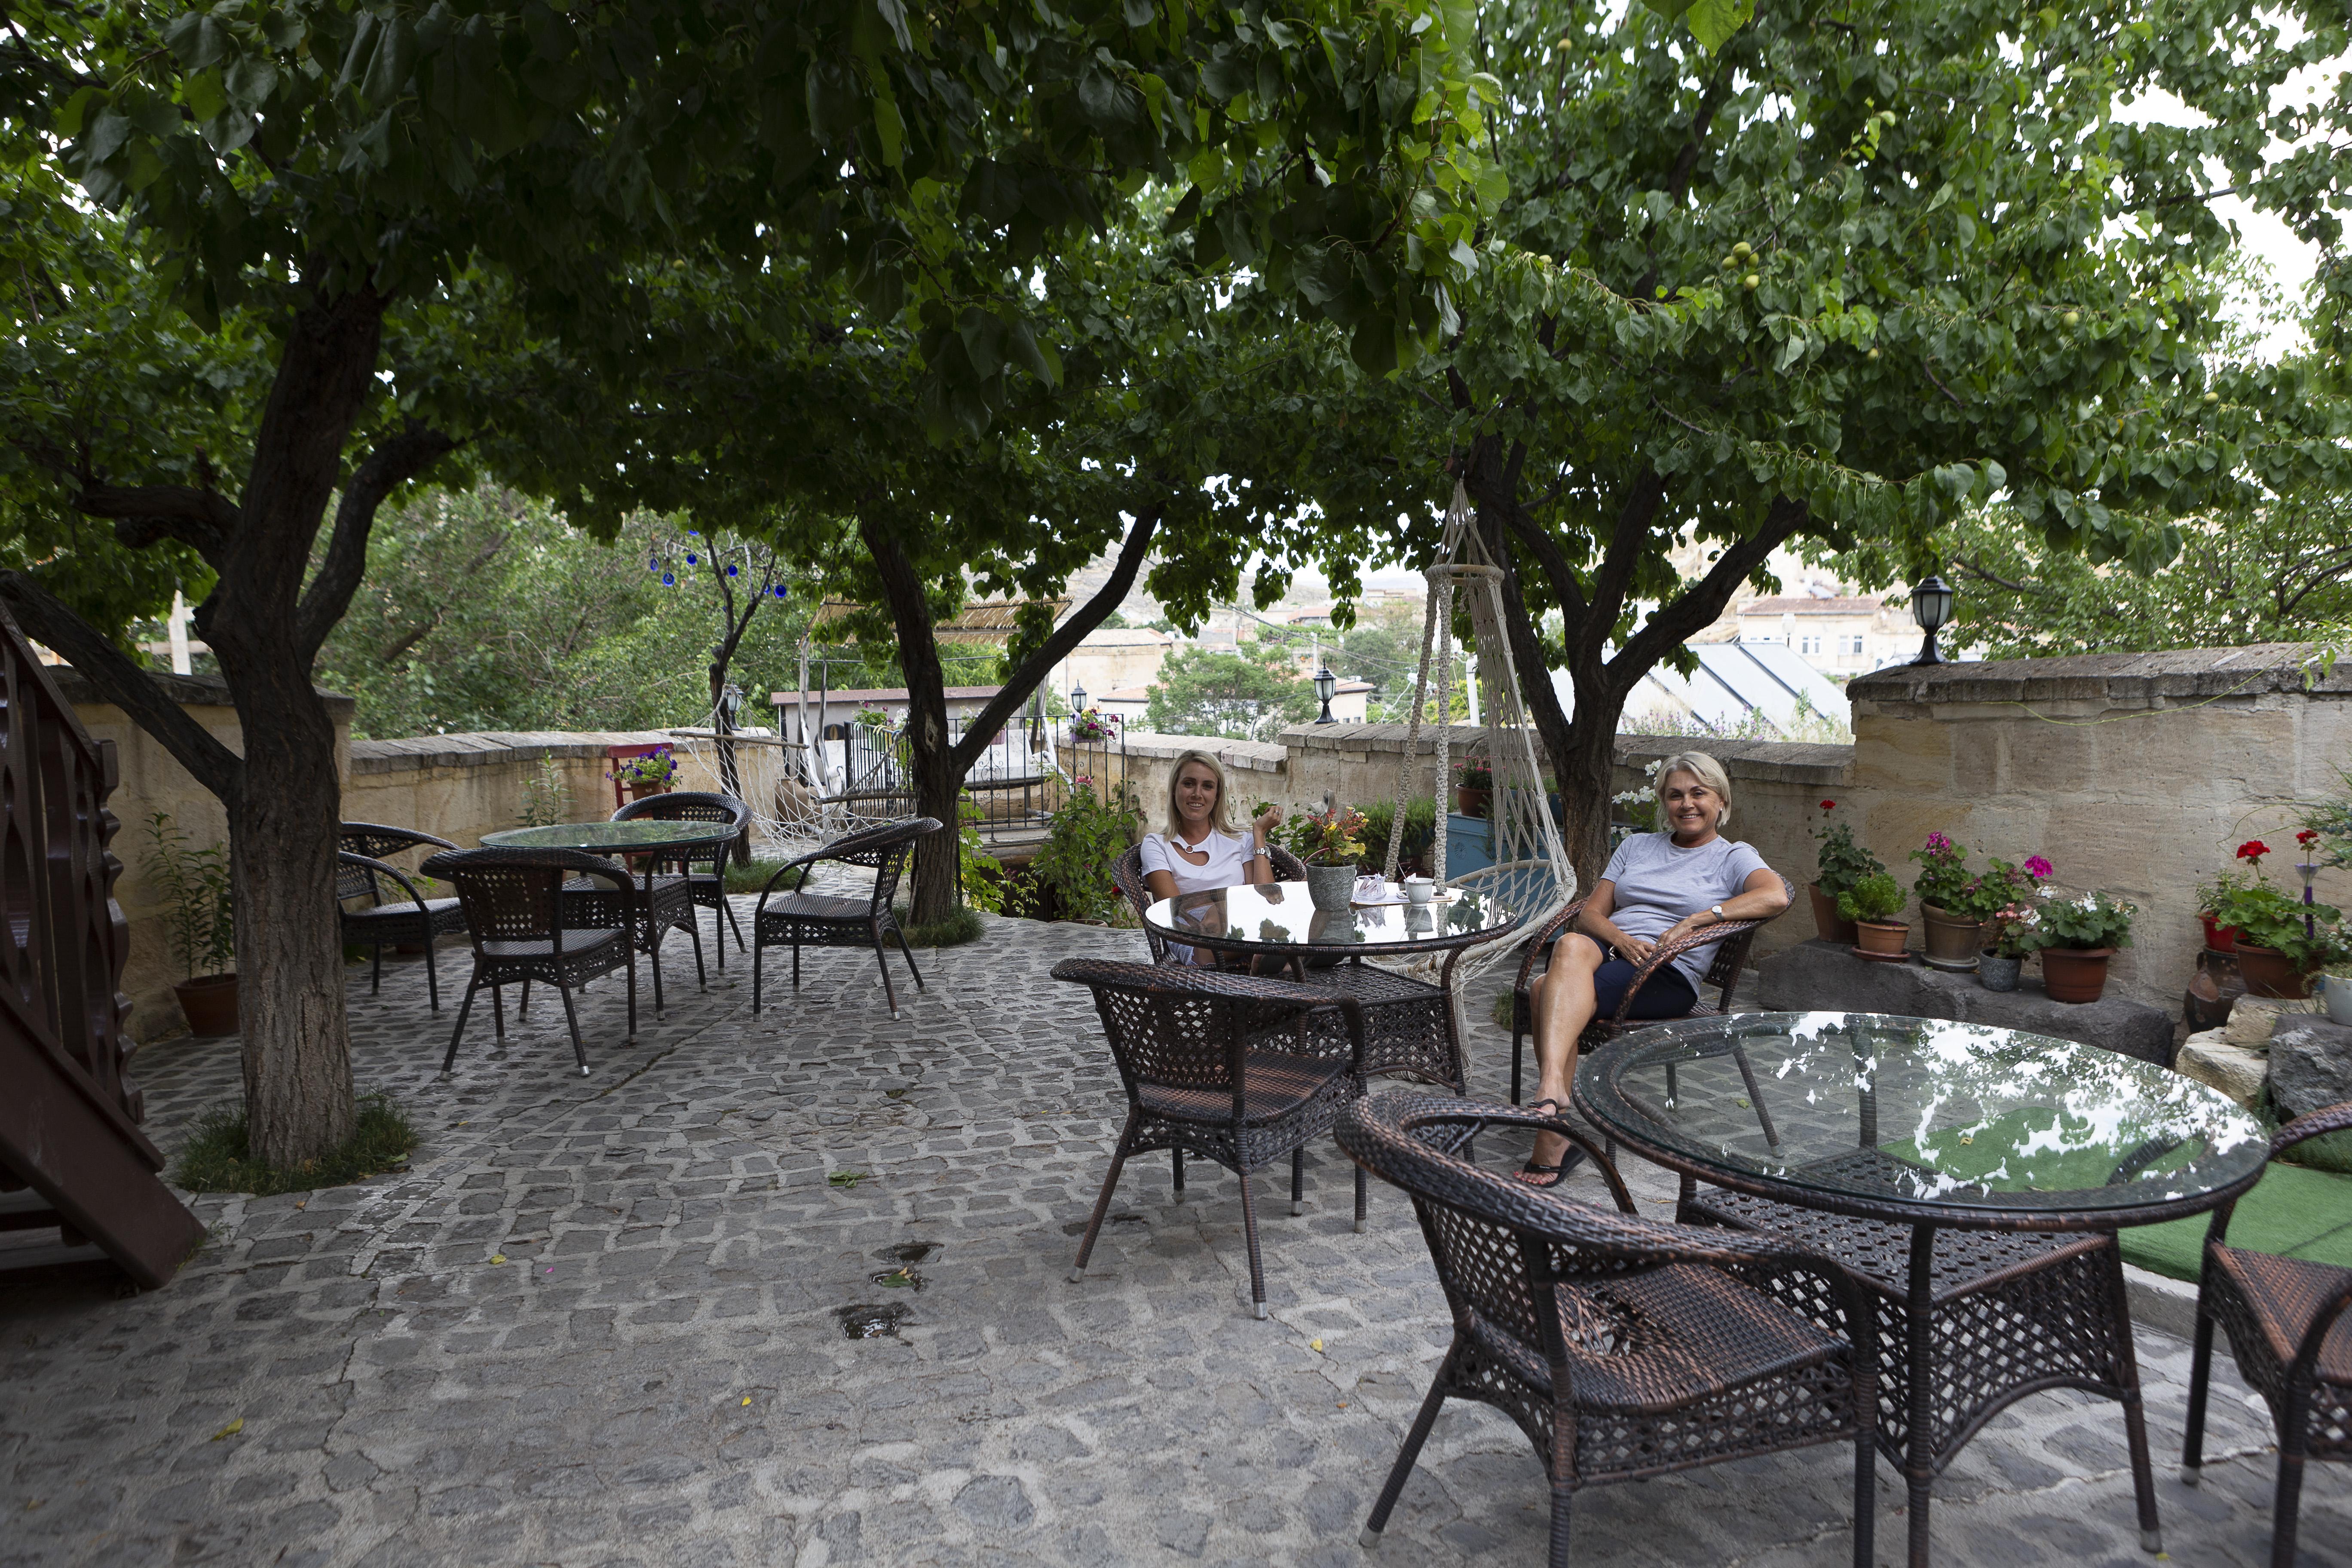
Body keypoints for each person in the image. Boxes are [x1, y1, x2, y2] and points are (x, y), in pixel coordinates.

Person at [1519, 750, 1789, 1187]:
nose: (1687, 804)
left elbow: (1775, 896)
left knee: (1542, 990)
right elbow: (1590, 915)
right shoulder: (1637, 846)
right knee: (1571, 941)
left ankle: (1552, 1136)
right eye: (1676, 795)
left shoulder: (1733, 856)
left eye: (1699, 793)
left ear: (1721, 800)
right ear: (1664, 803)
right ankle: (1554, 1093)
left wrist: (1696, 920)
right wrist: (1622, 940)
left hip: (1665, 971)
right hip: (1615, 952)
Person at [1140, 750, 1284, 963]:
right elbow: (1174, 908)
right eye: (1189, 784)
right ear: (1174, 790)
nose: (1197, 794)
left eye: (1207, 786)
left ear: (1217, 795)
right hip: (1193, 939)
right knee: (1218, 925)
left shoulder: (1240, 839)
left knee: (1309, 887)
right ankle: (1275, 956)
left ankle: (1267, 958)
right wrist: (1222, 906)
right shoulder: (1156, 845)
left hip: (1244, 926)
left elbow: (1266, 896)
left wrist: (1259, 834)